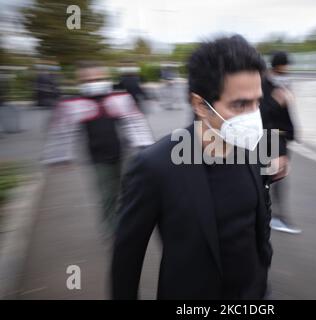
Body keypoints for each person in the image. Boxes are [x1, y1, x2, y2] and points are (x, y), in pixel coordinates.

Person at [111, 35, 276, 300]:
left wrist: (263, 267)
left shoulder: (251, 148)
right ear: (200, 105)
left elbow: (260, 216)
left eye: (258, 102)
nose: (253, 116)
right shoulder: (155, 166)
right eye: (240, 104)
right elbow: (126, 259)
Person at [42, 61, 154, 236]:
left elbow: (135, 122)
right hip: (98, 159)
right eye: (89, 79)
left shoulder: (118, 99)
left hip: (122, 154)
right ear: (80, 80)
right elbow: (62, 130)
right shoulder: (74, 104)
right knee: (107, 195)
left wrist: (144, 145)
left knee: (127, 191)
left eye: (100, 77)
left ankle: (126, 223)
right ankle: (114, 233)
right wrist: (59, 157)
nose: (95, 82)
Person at [260, 51, 301, 234]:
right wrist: (277, 100)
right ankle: (276, 217)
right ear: (277, 66)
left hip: (282, 135)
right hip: (271, 136)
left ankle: (266, 214)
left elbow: (287, 111)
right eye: (285, 66)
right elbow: (261, 113)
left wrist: (293, 132)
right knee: (277, 176)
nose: (287, 70)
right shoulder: (263, 84)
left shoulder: (283, 83)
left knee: (271, 176)